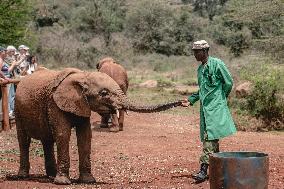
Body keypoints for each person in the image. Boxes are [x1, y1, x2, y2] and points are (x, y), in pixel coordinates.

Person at [181, 40, 237, 183]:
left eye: (196, 52)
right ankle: (218, 170)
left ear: (205, 51)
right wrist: (191, 99)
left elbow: (228, 82)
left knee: (210, 139)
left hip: (216, 108)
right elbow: (202, 90)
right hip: (205, 110)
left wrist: (220, 98)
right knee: (212, 138)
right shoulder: (200, 70)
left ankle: (203, 170)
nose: (194, 54)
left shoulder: (217, 64)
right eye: (193, 51)